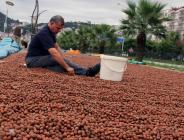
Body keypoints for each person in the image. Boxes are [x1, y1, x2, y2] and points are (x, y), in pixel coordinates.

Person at [25, 15, 100, 76]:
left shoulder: (51, 31)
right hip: (32, 60)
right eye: (58, 28)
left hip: (42, 59)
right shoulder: (44, 33)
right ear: (51, 23)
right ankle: (88, 72)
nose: (59, 30)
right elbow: (54, 53)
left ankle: (83, 73)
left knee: (58, 67)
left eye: (60, 29)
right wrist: (67, 67)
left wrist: (63, 59)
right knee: (56, 59)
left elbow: (56, 46)